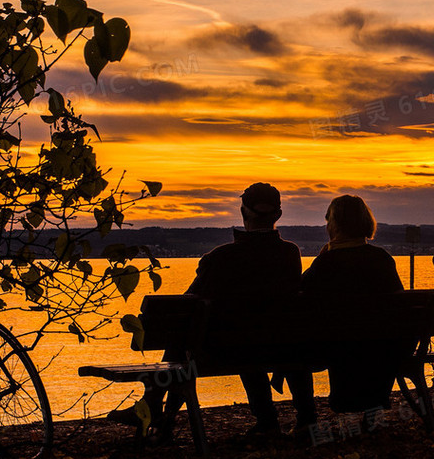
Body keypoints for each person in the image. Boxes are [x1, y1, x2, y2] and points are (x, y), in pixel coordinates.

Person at [110, 183, 316, 438]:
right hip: (281, 347)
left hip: (226, 352)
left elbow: (187, 305)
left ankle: (153, 407)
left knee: (185, 335)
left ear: (243, 212)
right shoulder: (290, 254)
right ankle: (276, 420)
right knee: (233, 338)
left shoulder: (221, 258)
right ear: (278, 215)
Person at [300, 195, 406, 414]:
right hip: (383, 346)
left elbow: (302, 294)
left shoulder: (326, 263)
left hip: (339, 346)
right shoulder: (382, 258)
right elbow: (399, 301)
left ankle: (306, 419)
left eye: (328, 219)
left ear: (336, 224)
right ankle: (373, 407)